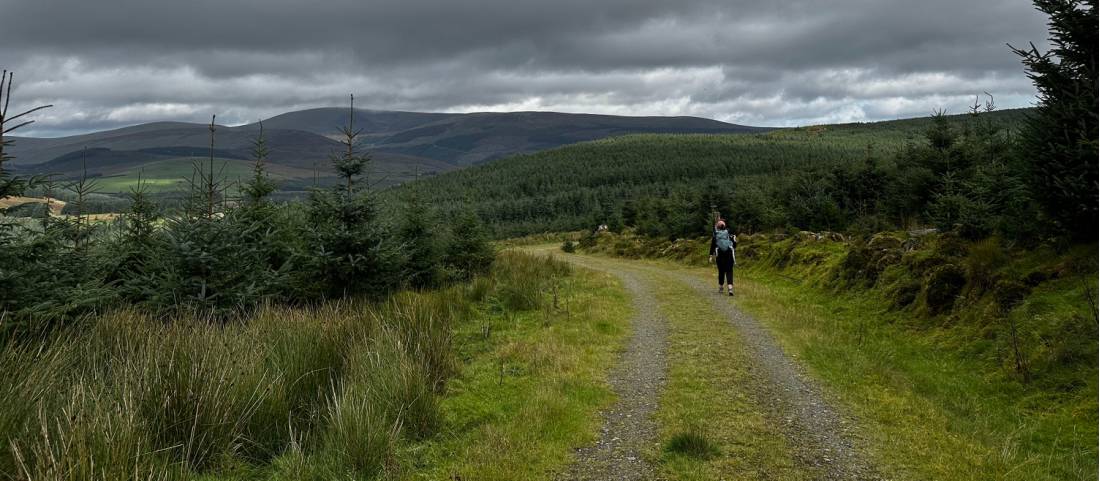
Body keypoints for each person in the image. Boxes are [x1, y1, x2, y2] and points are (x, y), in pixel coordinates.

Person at [709, 219, 736, 296]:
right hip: (729, 254)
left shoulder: (716, 235)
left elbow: (712, 246)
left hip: (720, 255)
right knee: (729, 271)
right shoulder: (729, 234)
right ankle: (730, 288)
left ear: (717, 227)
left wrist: (711, 256)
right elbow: (734, 245)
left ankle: (721, 287)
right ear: (725, 226)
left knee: (721, 271)